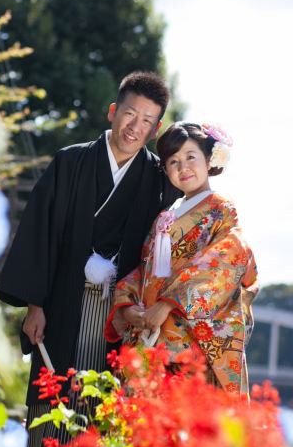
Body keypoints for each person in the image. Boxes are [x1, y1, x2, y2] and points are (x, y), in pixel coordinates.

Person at [0, 72, 181, 447]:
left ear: (156, 128)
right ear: (113, 111)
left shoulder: (157, 180)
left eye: (147, 121)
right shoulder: (70, 162)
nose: (135, 127)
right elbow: (40, 232)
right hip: (63, 302)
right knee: (54, 392)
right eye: (130, 114)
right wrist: (34, 305)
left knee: (105, 399)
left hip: (120, 311)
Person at [104, 122, 258, 395]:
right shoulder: (166, 215)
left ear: (209, 160)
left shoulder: (221, 208)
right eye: (173, 161)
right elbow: (145, 269)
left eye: (190, 157)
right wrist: (127, 305)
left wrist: (167, 304)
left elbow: (225, 262)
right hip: (152, 334)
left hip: (188, 339)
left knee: (183, 413)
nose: (183, 167)